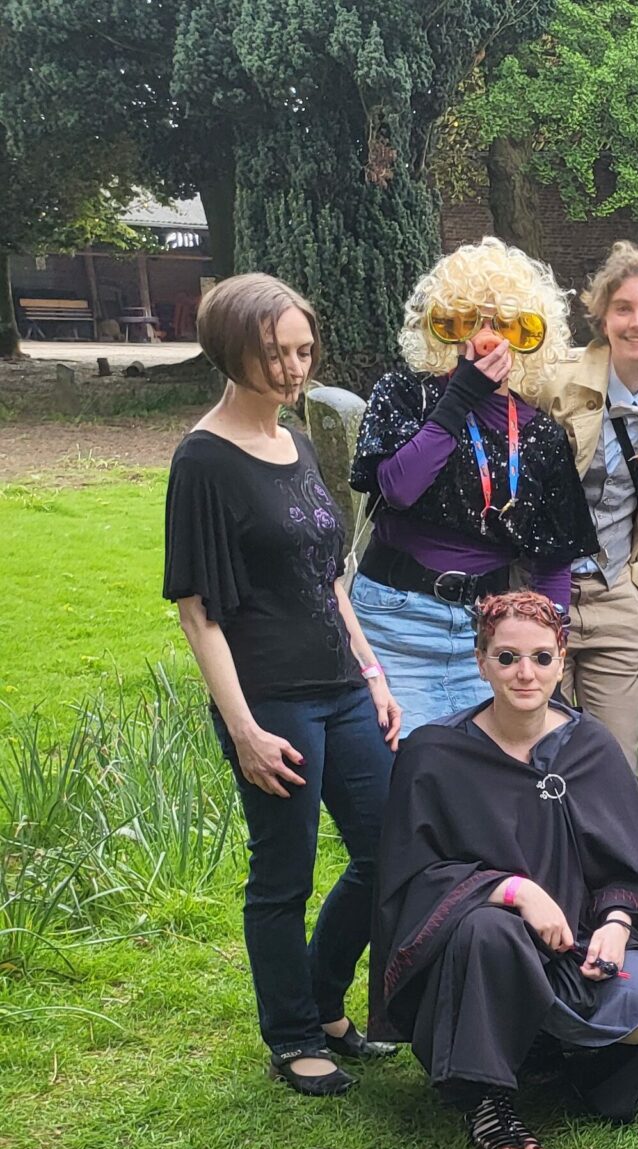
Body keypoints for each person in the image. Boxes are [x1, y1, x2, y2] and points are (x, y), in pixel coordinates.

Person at [165, 273, 403, 1097]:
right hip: (273, 700)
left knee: (386, 853)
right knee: (284, 874)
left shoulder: (295, 440)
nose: (293, 368)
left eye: (303, 350)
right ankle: (294, 1035)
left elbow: (330, 579)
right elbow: (198, 614)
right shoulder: (203, 460)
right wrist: (242, 728)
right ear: (231, 352)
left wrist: (372, 672)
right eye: (274, 355)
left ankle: (326, 1000)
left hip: (341, 686)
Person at [369, 593, 638, 1149]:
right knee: (486, 932)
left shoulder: (589, 745)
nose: (526, 673)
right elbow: (410, 875)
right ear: (481, 662)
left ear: (563, 659)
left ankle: (555, 1056)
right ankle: (487, 1097)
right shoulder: (435, 754)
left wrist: (617, 923)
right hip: (485, 952)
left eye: (542, 658)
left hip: (580, 941)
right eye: (507, 658)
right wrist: (514, 892)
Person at [350, 238, 593, 734]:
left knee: (487, 781)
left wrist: (549, 652)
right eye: (466, 322)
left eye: (504, 324)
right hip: (395, 622)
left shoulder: (541, 433)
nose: (486, 339)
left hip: (488, 634)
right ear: (442, 326)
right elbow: (398, 488)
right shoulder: (404, 395)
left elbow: (552, 565)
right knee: (407, 774)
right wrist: (458, 398)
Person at [532, 243, 638, 768]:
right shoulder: (552, 380)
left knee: (615, 768)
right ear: (602, 316)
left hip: (618, 594)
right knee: (536, 760)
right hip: (542, 594)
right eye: (624, 308)